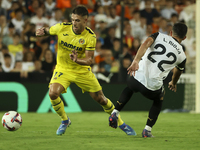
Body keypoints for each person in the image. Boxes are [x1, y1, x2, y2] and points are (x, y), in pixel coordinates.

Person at [35, 5, 135, 136]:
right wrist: (42, 31)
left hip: (82, 71)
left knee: (102, 99)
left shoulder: (90, 36)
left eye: (77, 20)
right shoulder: (62, 27)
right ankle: (65, 120)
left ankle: (121, 123)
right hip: (63, 69)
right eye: (73, 19)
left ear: (85, 20)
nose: (74, 23)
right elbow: (49, 30)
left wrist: (77, 60)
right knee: (53, 93)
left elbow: (89, 61)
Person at [108, 22, 188, 137]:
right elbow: (178, 71)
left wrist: (135, 60)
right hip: (152, 87)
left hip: (137, 77)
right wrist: (173, 83)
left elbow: (145, 43)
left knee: (129, 88)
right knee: (159, 99)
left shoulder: (158, 35)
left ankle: (115, 113)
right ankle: (147, 130)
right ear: (184, 38)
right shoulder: (182, 56)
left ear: (171, 32)